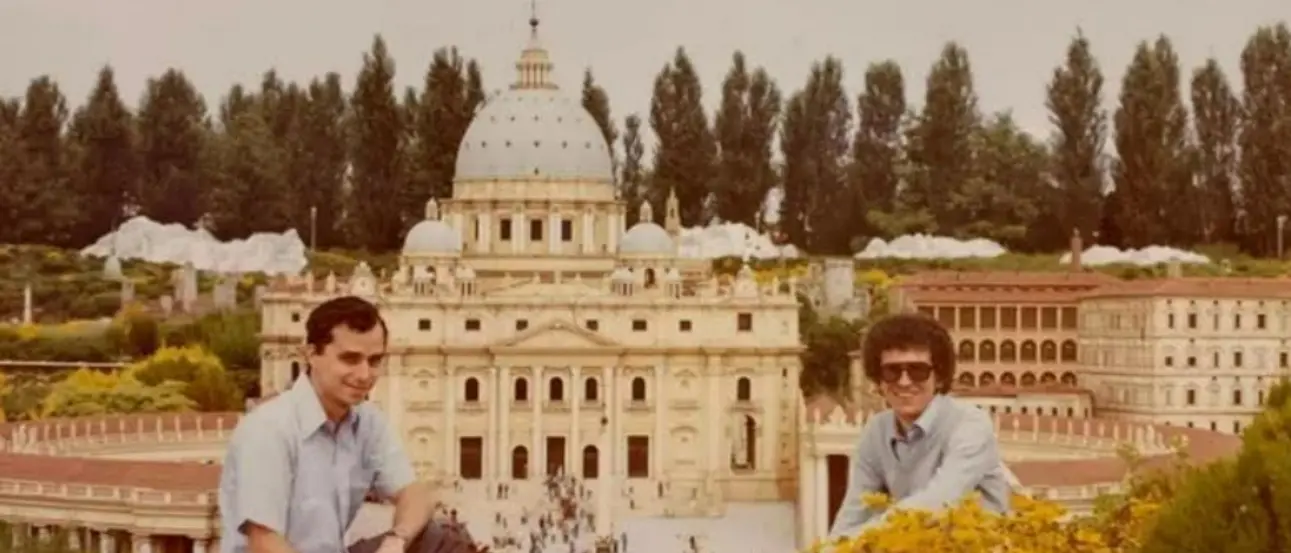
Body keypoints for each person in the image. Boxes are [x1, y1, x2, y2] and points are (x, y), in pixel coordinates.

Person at [219, 295, 477, 553]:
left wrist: (397, 540)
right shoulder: (268, 429)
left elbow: (414, 493)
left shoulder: (368, 422)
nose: (365, 375)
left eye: (374, 361)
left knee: (443, 535)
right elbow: (264, 542)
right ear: (311, 354)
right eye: (350, 359)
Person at [827, 313, 1010, 541]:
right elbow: (853, 512)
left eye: (918, 371)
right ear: (879, 381)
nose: (904, 382)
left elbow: (939, 501)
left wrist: (858, 537)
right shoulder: (876, 431)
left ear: (940, 377)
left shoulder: (970, 424)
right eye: (892, 371)